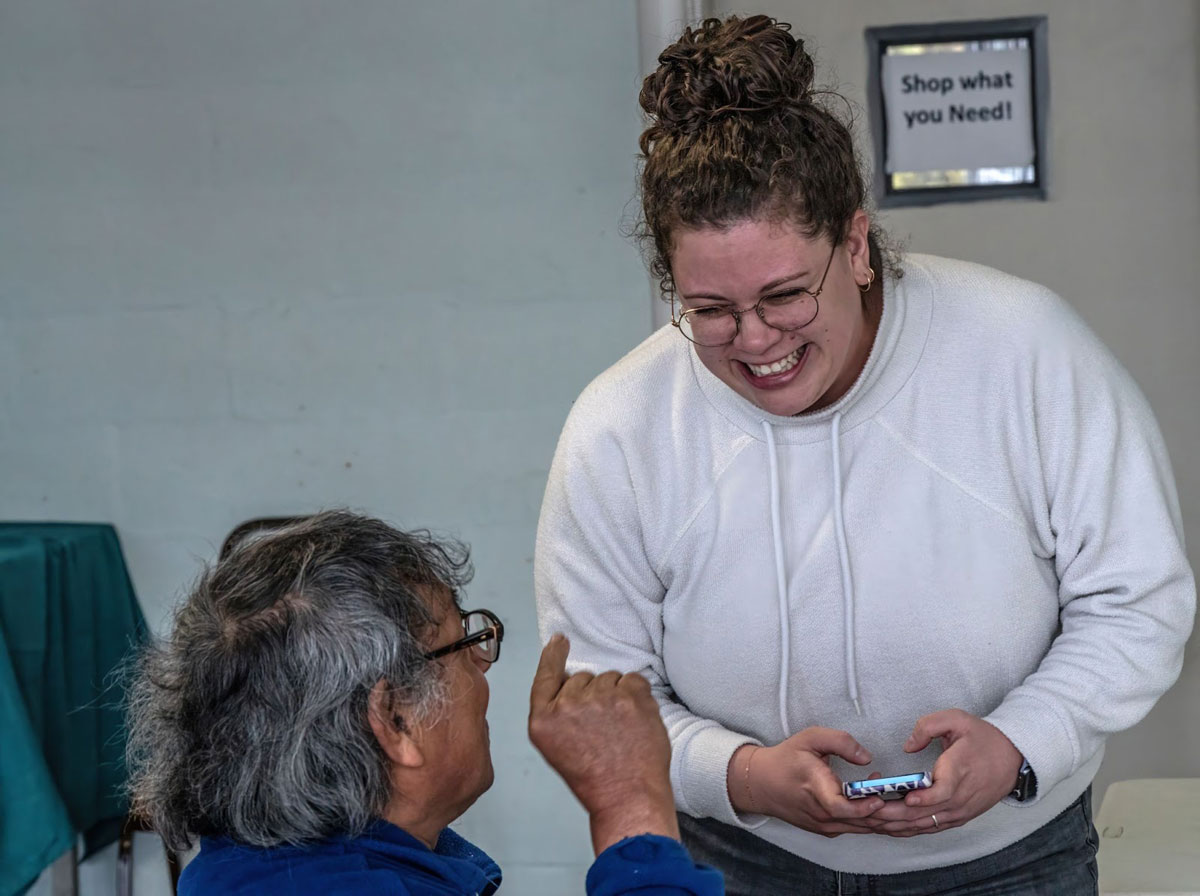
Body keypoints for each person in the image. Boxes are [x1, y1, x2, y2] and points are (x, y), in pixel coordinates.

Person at [534, 14, 1196, 894]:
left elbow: (1138, 599)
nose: (755, 340)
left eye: (782, 295)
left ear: (854, 245)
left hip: (1009, 859)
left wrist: (1022, 743)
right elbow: (600, 690)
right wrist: (738, 776)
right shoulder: (619, 426)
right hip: (743, 860)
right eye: (711, 311)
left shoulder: (1024, 349)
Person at [126, 510, 723, 895]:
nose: (481, 667)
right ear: (395, 719)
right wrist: (629, 810)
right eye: (463, 643)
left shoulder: (241, 871)